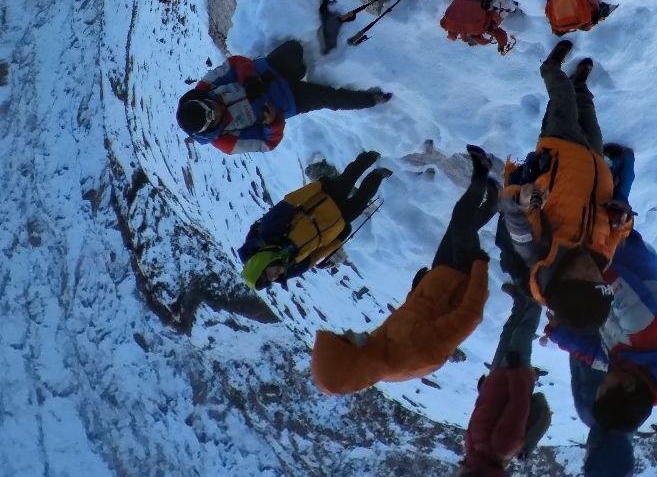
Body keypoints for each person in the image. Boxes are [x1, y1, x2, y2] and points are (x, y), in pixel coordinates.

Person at [544, 149, 657, 477]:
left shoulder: (631, 371)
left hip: (606, 265)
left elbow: (596, 354)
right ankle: (623, 168)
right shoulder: (647, 332)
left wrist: (560, 332)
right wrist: (576, 284)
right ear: (625, 385)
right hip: (623, 252)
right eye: (607, 384)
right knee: (606, 215)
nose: (605, 377)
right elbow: (613, 281)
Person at [310, 150, 498, 394]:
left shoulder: (374, 347)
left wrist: (415, 290)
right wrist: (480, 267)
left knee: (459, 225)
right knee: (462, 221)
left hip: (438, 277)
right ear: (354, 360)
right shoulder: (415, 356)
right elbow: (470, 315)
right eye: (346, 339)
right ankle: (482, 173)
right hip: (460, 282)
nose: (348, 332)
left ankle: (493, 199)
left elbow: (408, 316)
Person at [500, 40, 634, 327]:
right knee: (587, 115)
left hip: (560, 150)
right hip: (594, 162)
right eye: (600, 280)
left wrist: (522, 198)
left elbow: (512, 212)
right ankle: (580, 85)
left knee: (563, 101)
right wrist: (622, 218)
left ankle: (551, 70)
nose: (594, 271)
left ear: (565, 283)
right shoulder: (601, 259)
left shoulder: (540, 248)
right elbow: (619, 232)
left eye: (587, 278)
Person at [177, 37, 389, 153]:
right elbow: (266, 143)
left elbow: (235, 63)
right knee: (331, 98)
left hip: (269, 72)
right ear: (207, 128)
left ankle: (300, 70)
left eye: (208, 106)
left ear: (200, 100)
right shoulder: (226, 142)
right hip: (289, 100)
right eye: (211, 118)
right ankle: (371, 99)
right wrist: (272, 123)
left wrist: (248, 79)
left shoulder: (205, 87)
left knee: (293, 49)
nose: (215, 110)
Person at [238, 150, 390, 290]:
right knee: (361, 200)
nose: (274, 277)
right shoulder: (290, 270)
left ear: (262, 264)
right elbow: (314, 258)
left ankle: (370, 155)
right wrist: (337, 241)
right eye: (270, 280)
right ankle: (378, 175)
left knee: (349, 178)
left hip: (323, 201)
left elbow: (291, 201)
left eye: (268, 274)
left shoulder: (268, 231)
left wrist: (319, 186)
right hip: (335, 225)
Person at [452, 293, 553, 477]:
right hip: (513, 375)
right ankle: (534, 296)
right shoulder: (502, 446)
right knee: (522, 334)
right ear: (471, 476)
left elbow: (483, 413)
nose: (456, 472)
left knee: (507, 335)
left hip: (496, 379)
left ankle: (521, 301)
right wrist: (516, 371)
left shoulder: (473, 451)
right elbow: (519, 405)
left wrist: (484, 390)